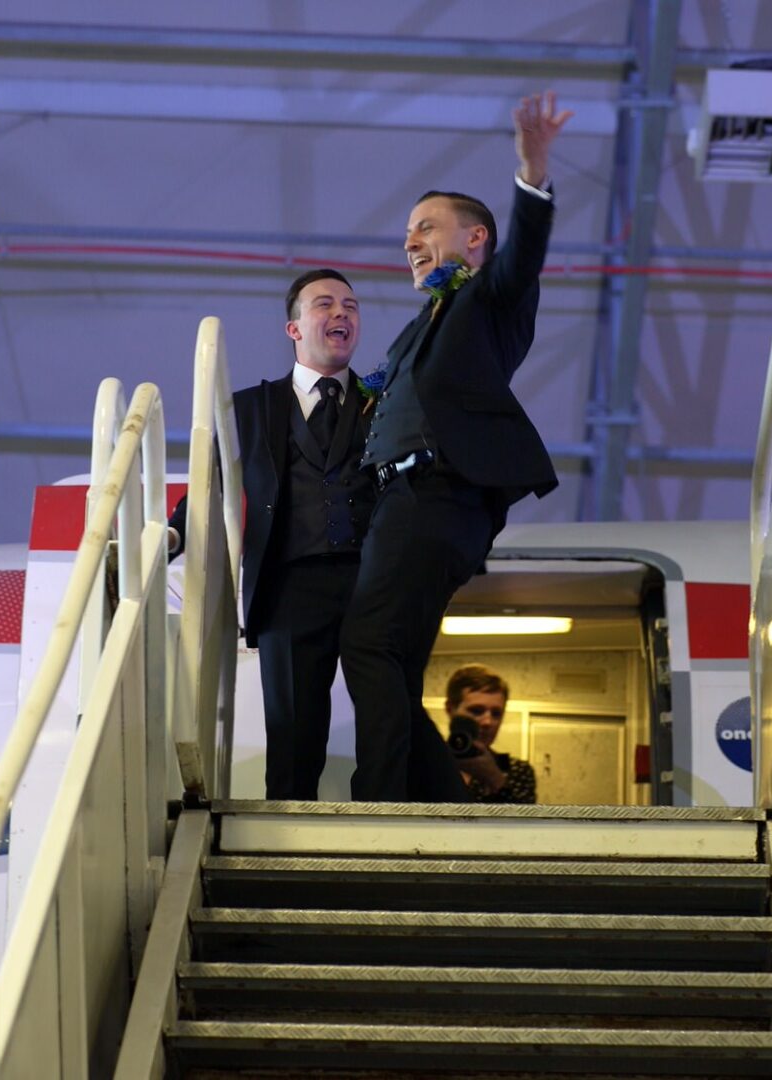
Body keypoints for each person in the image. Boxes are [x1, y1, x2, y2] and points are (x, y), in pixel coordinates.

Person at [340, 91, 572, 802]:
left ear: (474, 240)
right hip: (404, 503)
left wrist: (532, 171)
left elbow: (522, 255)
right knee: (399, 668)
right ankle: (444, 807)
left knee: (367, 644)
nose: (408, 241)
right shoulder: (418, 327)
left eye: (425, 228)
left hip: (434, 496)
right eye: (407, 232)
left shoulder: (490, 300)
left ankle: (377, 810)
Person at [169, 269, 374, 799]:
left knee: (386, 718)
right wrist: (174, 534)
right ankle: (288, 838)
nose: (341, 314)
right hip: (287, 587)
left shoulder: (384, 401)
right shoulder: (249, 407)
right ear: (294, 327)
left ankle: (385, 828)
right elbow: (208, 484)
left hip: (371, 583)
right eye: (325, 304)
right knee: (293, 731)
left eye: (351, 306)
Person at [445, 665, 537, 804]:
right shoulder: (424, 762)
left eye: (496, 714)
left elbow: (525, 824)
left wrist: (494, 778)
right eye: (476, 711)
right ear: (450, 709)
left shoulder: (517, 770)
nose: (488, 722)